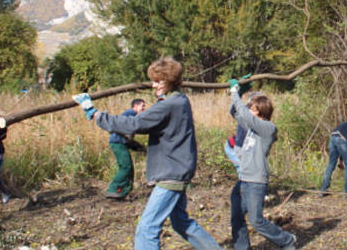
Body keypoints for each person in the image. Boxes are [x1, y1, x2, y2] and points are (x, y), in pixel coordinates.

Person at [73, 57, 222, 250]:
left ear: (170, 80)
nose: (154, 85)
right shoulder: (179, 99)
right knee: (180, 222)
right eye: (154, 81)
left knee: (146, 228)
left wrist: (96, 114)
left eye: (159, 81)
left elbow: (135, 124)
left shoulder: (170, 105)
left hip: (172, 174)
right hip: (179, 168)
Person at [227, 79, 297, 250]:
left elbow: (244, 114)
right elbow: (235, 112)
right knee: (236, 217)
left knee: (256, 221)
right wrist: (240, 94)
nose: (248, 109)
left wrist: (235, 93)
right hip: (244, 179)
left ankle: (287, 240)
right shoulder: (252, 127)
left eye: (251, 107)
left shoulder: (268, 128)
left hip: (256, 181)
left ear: (258, 111)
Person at [105, 98, 146, 199]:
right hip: (118, 143)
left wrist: (138, 147)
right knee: (125, 167)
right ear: (135, 106)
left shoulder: (133, 116)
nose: (144, 108)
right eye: (142, 106)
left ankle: (123, 192)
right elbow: (123, 128)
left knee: (130, 168)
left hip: (121, 143)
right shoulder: (131, 113)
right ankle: (113, 189)